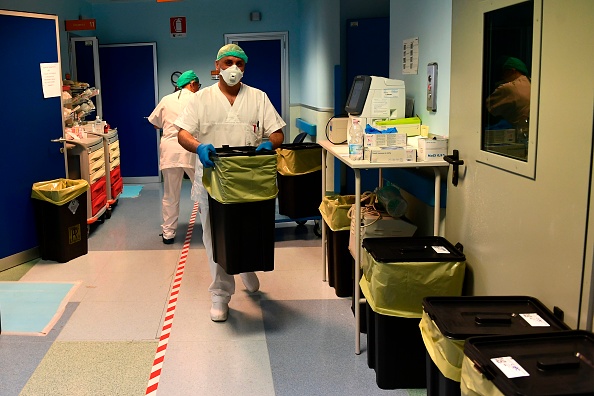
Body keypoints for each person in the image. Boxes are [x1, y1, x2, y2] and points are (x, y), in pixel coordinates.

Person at [175, 44, 285, 322]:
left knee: (248, 229)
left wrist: (268, 144)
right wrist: (198, 147)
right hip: (214, 179)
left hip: (248, 180)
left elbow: (278, 133)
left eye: (238, 63)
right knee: (215, 235)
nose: (233, 68)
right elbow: (183, 134)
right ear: (217, 66)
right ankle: (220, 294)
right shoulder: (201, 98)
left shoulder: (258, 97)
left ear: (244, 67)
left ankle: (244, 266)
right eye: (227, 63)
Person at [148, 70, 201, 244]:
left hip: (170, 150)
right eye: (198, 85)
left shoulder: (166, 100)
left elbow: (155, 124)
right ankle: (210, 228)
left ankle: (168, 234)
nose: (198, 88)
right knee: (202, 190)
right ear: (192, 84)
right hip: (192, 148)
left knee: (170, 194)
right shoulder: (199, 98)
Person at [485, 56, 531, 128]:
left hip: (518, 133)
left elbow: (488, 110)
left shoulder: (509, 88)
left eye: (504, 73)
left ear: (512, 71)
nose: (503, 77)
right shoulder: (533, 83)